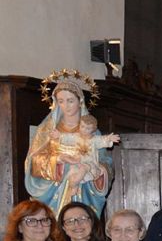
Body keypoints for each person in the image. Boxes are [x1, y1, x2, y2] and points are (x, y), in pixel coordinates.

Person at [24, 76, 112, 215]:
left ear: (80, 101)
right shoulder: (47, 131)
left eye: (70, 101)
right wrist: (58, 160)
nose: (66, 106)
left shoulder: (92, 132)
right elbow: (33, 161)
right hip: (53, 194)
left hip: (85, 190)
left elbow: (106, 162)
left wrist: (99, 170)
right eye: (61, 101)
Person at [55, 114, 119, 191]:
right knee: (72, 173)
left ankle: (75, 184)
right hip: (77, 162)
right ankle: (74, 185)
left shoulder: (94, 140)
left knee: (83, 168)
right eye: (82, 126)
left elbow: (103, 140)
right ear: (79, 125)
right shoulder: (76, 137)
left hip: (89, 164)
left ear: (93, 130)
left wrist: (109, 138)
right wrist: (59, 135)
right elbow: (67, 138)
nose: (84, 130)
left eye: (88, 128)